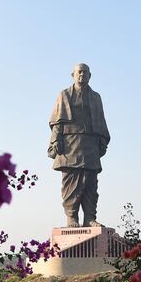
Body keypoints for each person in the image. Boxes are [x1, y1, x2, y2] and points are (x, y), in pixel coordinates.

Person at [48, 63, 110, 227]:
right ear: (73, 75)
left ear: (90, 75)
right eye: (79, 72)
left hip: (90, 145)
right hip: (70, 145)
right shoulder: (64, 94)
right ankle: (72, 216)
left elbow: (101, 121)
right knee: (71, 183)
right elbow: (57, 122)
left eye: (85, 72)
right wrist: (56, 141)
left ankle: (90, 218)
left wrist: (102, 141)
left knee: (91, 183)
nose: (82, 74)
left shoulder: (96, 97)